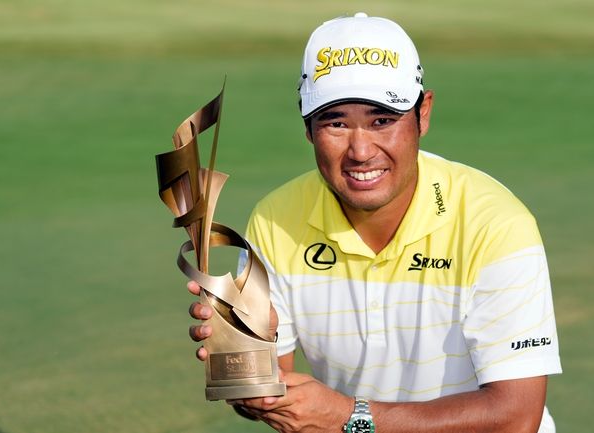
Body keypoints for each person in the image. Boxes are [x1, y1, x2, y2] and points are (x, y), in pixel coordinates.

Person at [188, 12, 562, 433]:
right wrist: (247, 362)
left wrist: (351, 417)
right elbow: (272, 400)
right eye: (336, 122)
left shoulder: (495, 223)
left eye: (382, 120)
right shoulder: (275, 220)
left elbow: (516, 417)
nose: (361, 151)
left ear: (423, 114)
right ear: (308, 129)